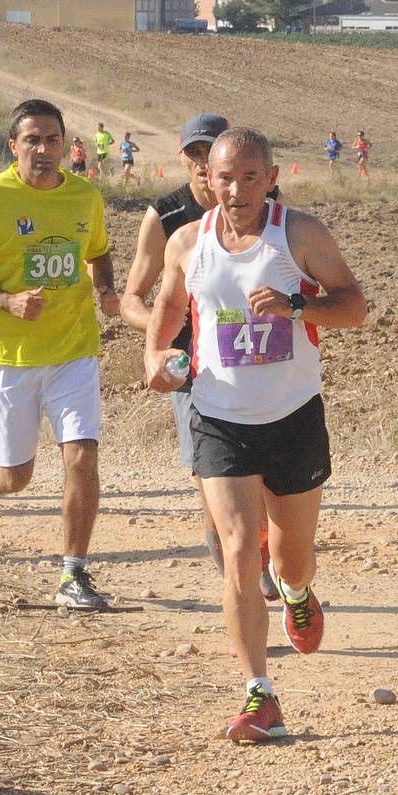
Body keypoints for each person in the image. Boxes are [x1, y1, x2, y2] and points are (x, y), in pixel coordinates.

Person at [145, 127, 366, 742]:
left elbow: (354, 306)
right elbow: (166, 307)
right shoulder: (187, 242)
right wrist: (155, 358)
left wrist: (298, 309)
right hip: (219, 416)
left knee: (290, 555)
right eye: (225, 178)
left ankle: (297, 589)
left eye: (249, 177)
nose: (236, 190)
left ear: (272, 177)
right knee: (240, 550)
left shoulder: (299, 234)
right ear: (206, 180)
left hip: (293, 414)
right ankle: (258, 695)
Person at [0, 99, 120, 609]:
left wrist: (106, 291)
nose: (44, 150)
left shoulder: (85, 195)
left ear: (66, 145)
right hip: (11, 358)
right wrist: (4, 299)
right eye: (33, 140)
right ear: (13, 146)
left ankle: (73, 574)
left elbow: (99, 251)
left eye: (53, 139)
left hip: (74, 351)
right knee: (15, 476)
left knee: (82, 459)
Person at [120, 113, 279, 602]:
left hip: (261, 364)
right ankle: (243, 588)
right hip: (195, 371)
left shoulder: (266, 206)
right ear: (186, 157)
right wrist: (165, 334)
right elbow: (131, 298)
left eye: (211, 153)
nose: (203, 163)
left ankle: (281, 569)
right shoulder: (166, 215)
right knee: (216, 489)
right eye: (195, 154)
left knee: (274, 488)